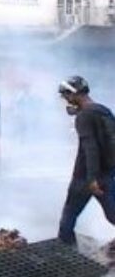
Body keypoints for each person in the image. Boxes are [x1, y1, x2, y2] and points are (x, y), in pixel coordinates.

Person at [56, 76, 115, 245]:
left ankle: (66, 253)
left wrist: (91, 179)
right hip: (107, 173)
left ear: (73, 94)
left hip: (86, 177)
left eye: (66, 95)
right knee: (112, 213)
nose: (65, 100)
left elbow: (91, 148)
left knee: (68, 218)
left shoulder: (84, 117)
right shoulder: (103, 110)